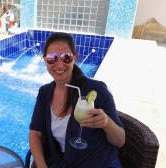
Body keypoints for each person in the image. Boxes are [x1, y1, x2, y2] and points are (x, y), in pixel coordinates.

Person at [29, 32, 125, 168]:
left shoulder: (97, 91)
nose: (59, 64)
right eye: (52, 58)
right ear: (45, 60)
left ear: (74, 57)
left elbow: (120, 141)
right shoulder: (45, 92)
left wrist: (106, 122)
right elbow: (35, 133)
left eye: (66, 57)